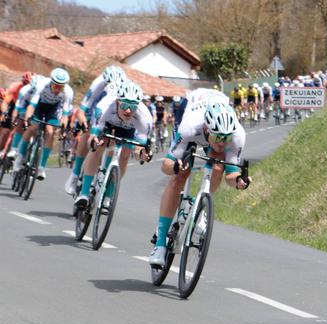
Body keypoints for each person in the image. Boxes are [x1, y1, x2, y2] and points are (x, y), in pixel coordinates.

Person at [148, 89, 250, 266]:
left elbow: (231, 175)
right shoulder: (190, 127)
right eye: (218, 137)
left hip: (215, 110)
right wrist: (175, 166)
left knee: (218, 163)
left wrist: (240, 181)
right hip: (191, 109)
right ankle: (160, 244)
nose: (222, 142)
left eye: (225, 138)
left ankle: (199, 206)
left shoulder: (237, 136)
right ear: (206, 129)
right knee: (180, 175)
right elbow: (165, 166)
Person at [74, 80, 152, 210]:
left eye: (133, 107)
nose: (128, 110)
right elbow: (92, 137)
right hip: (107, 123)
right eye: (124, 105)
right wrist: (94, 142)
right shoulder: (104, 106)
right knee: (98, 148)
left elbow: (140, 148)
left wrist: (142, 155)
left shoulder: (145, 117)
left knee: (126, 154)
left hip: (129, 129)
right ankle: (84, 193)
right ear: (117, 102)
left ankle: (109, 195)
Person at [64, 65, 125, 194]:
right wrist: (84, 123)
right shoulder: (98, 84)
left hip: (115, 111)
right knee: (88, 132)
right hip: (97, 108)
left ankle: (104, 173)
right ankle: (75, 174)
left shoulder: (124, 87)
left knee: (112, 139)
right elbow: (83, 109)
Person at [13, 68, 73, 180]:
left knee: (50, 132)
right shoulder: (42, 84)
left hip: (53, 109)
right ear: (51, 82)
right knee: (32, 127)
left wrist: (63, 129)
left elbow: (65, 114)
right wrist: (27, 119)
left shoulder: (68, 92)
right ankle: (19, 158)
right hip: (39, 106)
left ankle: (42, 167)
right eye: (56, 86)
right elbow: (32, 105)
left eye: (61, 87)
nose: (58, 89)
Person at [0, 72, 33, 157]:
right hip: (15, 105)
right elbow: (5, 102)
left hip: (28, 107)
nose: (27, 86)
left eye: (29, 84)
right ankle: (2, 150)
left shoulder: (36, 89)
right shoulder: (15, 87)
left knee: (25, 129)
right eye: (25, 83)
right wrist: (4, 113)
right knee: (5, 131)